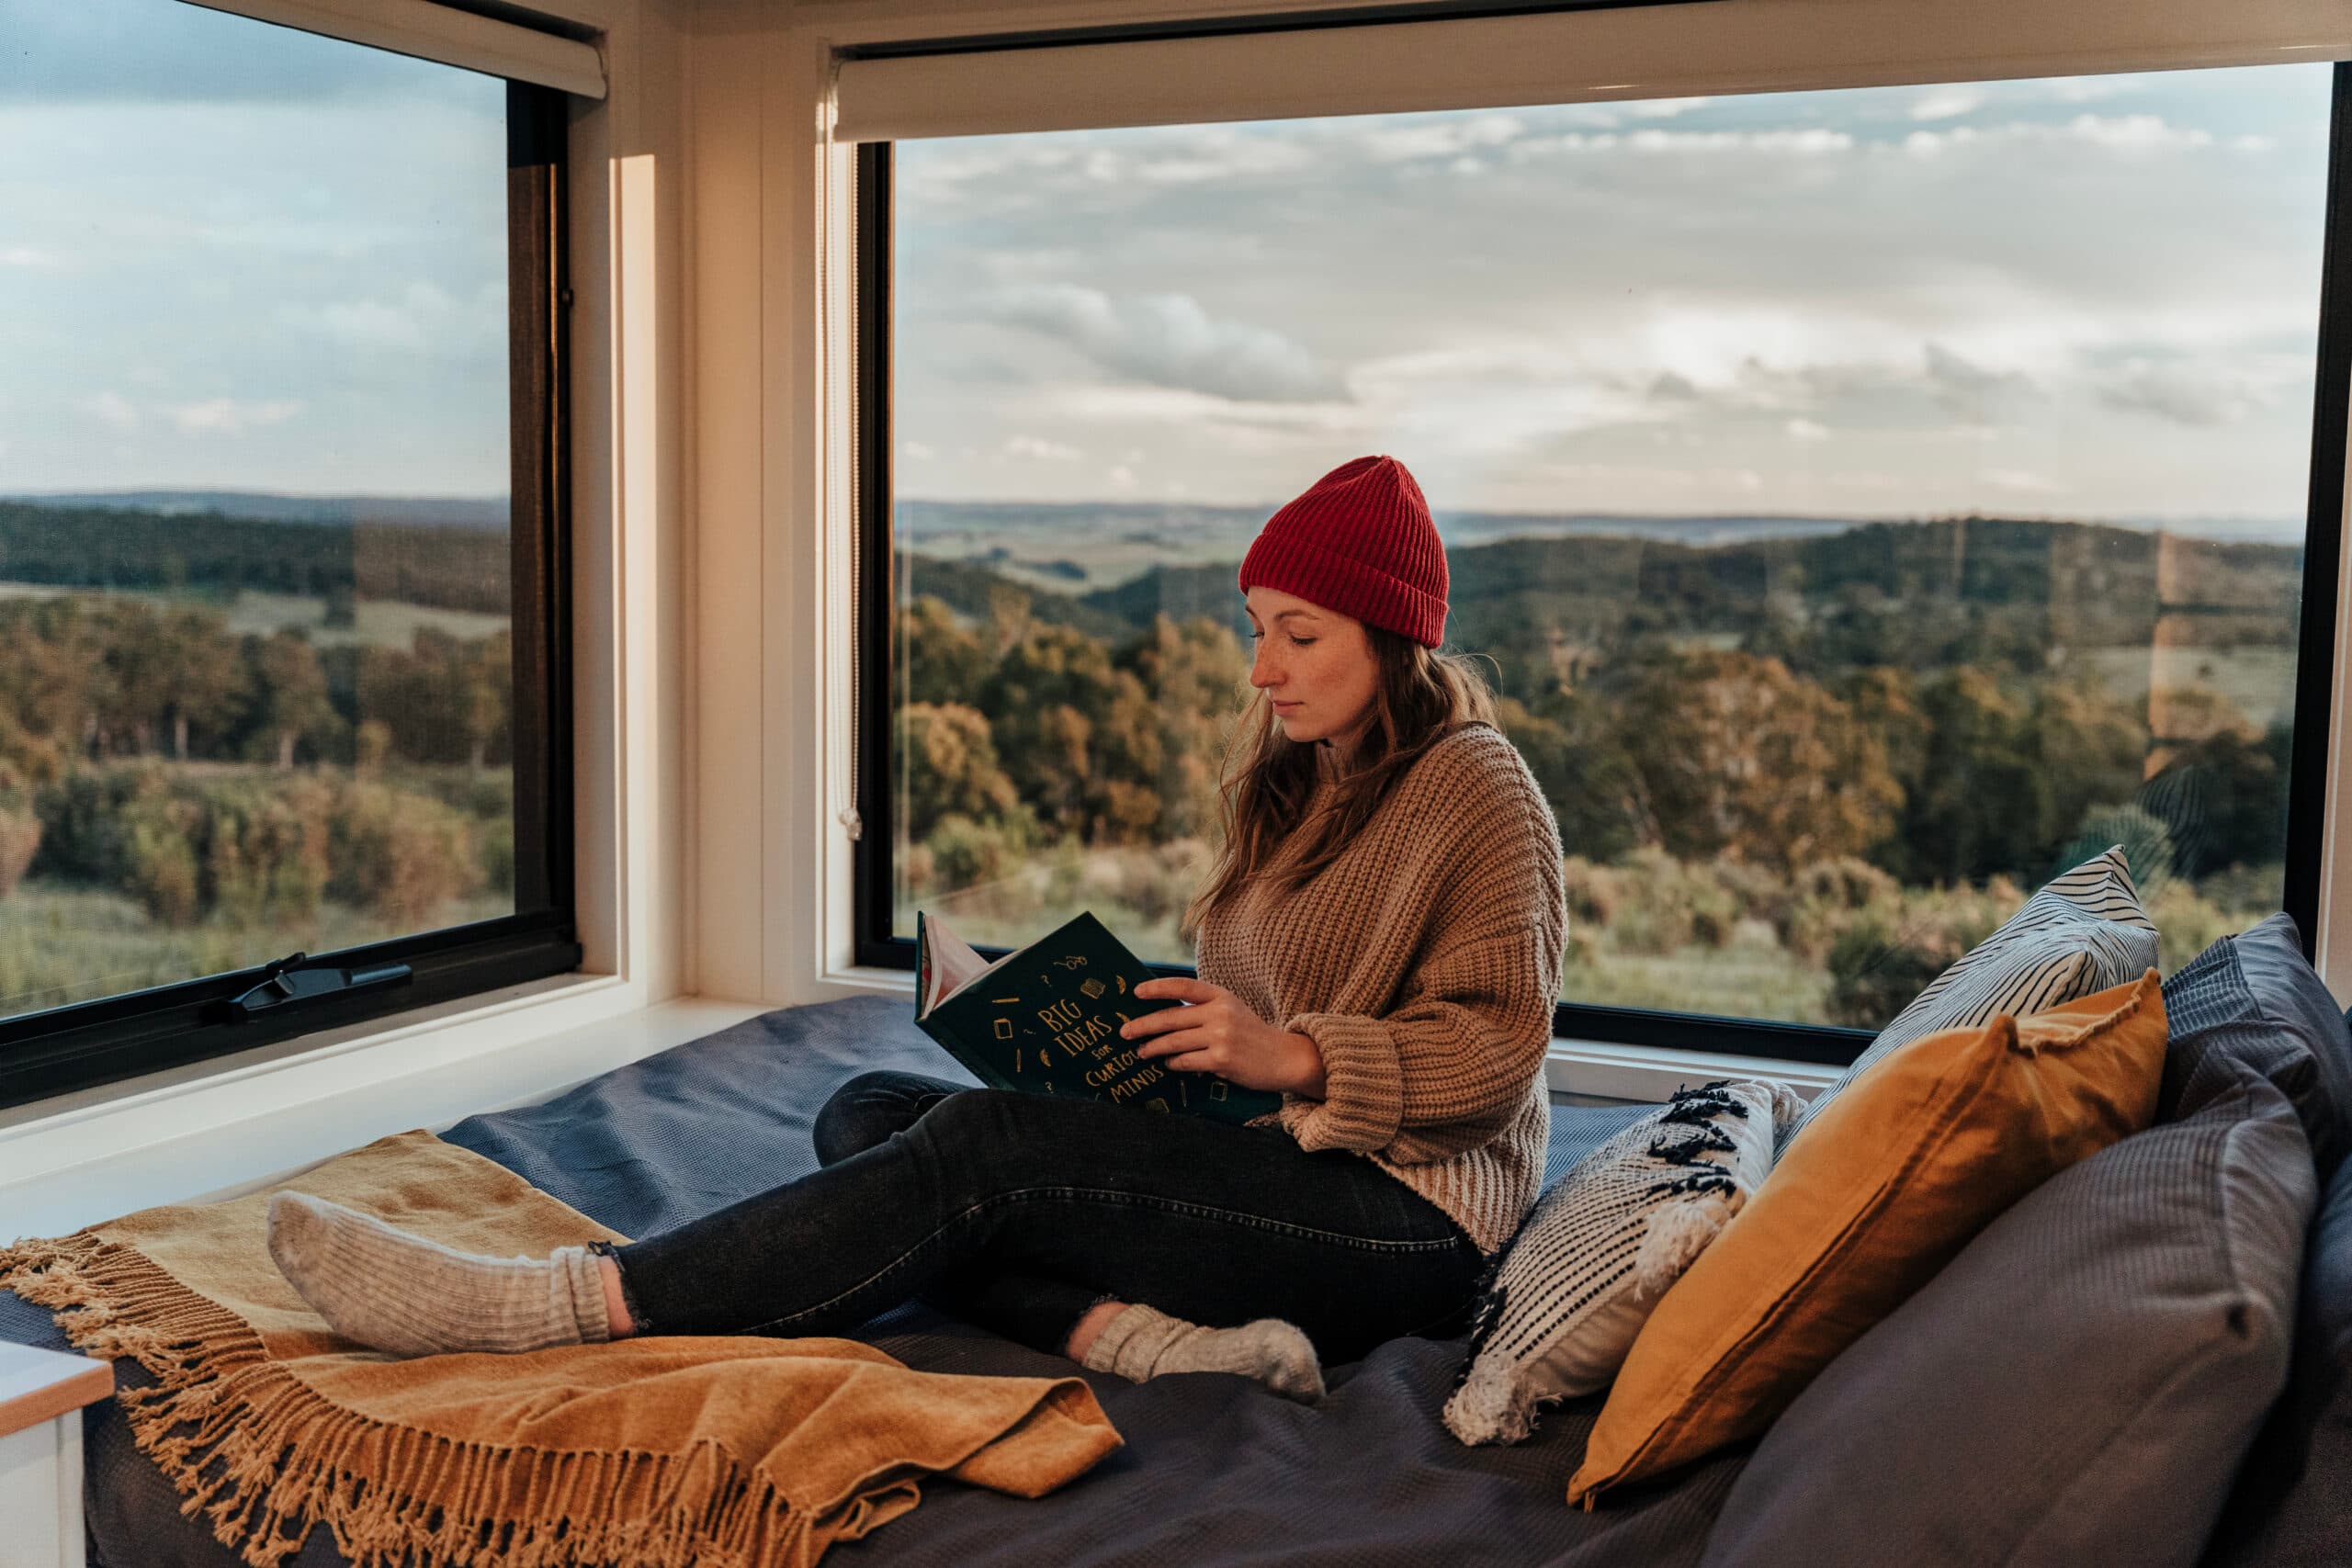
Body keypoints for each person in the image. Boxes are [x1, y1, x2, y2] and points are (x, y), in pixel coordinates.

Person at [267, 453, 1569, 1403]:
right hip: (1289, 1162)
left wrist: (1299, 1061)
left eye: (1298, 635)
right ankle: (1160, 1345)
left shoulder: (1474, 784)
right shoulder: (1308, 779)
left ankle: (556, 1302)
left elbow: (1498, 1042)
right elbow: (1276, 997)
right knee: (873, 1118)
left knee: (988, 1154)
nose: (1261, 668)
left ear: (1394, 642)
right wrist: (1138, 1026)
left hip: (1405, 1223)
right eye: (1255, 631)